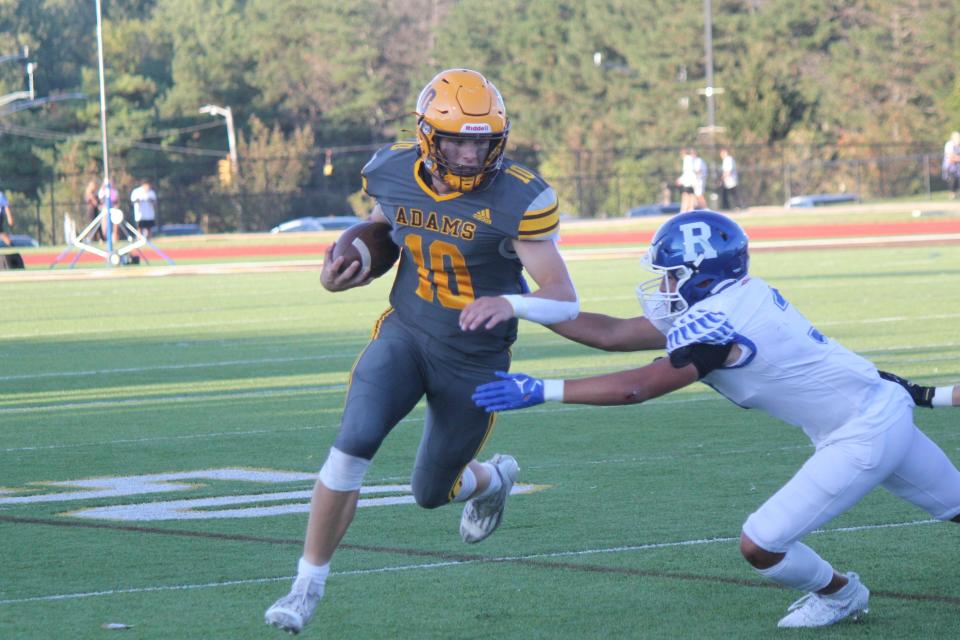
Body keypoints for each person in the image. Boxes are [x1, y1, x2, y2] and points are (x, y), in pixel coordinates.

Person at [472, 210, 960, 629]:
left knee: (762, 545)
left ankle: (840, 594)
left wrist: (544, 390)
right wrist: (523, 304)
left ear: (699, 273)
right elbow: (612, 333)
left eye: (671, 274)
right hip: (878, 413)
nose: (663, 285)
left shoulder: (717, 323)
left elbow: (638, 386)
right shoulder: (734, 297)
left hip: (861, 436)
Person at [263, 68, 579, 635]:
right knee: (352, 445)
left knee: (431, 493)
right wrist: (345, 269)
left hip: (475, 360)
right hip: (407, 333)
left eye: (481, 141)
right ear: (427, 135)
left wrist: (514, 303)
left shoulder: (519, 198)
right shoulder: (390, 170)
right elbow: (387, 228)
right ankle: (306, 585)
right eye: (456, 139)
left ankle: (492, 480)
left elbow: (564, 299)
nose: (468, 153)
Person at [676, 148, 696, 212]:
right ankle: (690, 209)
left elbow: (687, 172)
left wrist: (680, 180)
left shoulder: (687, 159)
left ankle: (684, 209)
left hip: (688, 181)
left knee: (685, 195)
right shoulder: (690, 159)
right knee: (690, 195)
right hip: (691, 180)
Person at [942, 131, 960, 199]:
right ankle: (952, 194)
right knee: (952, 180)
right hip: (950, 166)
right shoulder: (949, 144)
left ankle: (956, 194)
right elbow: (950, 157)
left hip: (958, 166)